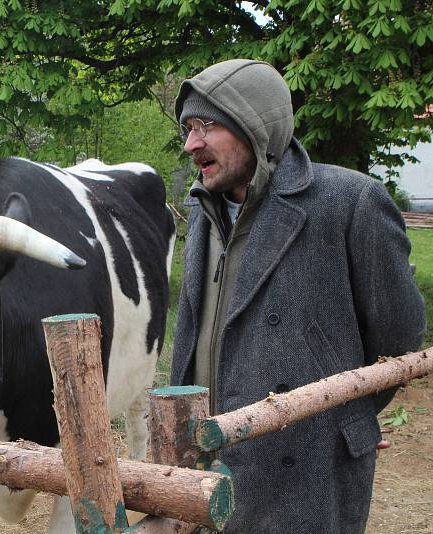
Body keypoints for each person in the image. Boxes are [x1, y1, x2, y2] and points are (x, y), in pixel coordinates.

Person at [170, 59, 426, 533]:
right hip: (206, 459)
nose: (192, 144)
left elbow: (397, 336)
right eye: (187, 127)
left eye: (206, 125)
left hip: (307, 468)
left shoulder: (350, 202)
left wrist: (342, 421)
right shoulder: (201, 209)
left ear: (256, 124)